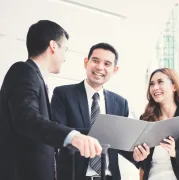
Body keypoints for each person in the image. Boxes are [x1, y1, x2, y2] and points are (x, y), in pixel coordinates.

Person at [0, 20, 102, 180]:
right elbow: (27, 118)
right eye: (65, 49)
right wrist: (73, 136)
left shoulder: (35, 77)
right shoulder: (23, 71)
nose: (65, 58)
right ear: (53, 46)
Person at [51, 42, 147, 180]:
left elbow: (122, 144)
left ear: (115, 70)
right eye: (95, 61)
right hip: (73, 176)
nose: (100, 67)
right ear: (86, 62)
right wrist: (103, 133)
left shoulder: (120, 103)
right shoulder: (63, 94)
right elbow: (58, 133)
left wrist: (137, 156)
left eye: (107, 64)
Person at [134, 68, 179, 180]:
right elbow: (143, 164)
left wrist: (174, 153)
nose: (155, 87)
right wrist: (139, 157)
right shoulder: (146, 119)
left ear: (174, 86)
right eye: (152, 84)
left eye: (160, 82)